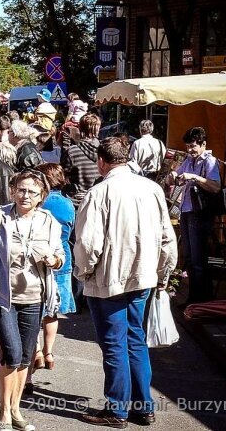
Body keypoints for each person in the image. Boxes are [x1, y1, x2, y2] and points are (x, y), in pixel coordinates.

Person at [74, 137, 177, 428]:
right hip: (143, 276)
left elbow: (87, 243)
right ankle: (143, 407)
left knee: (115, 344)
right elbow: (167, 237)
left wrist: (83, 273)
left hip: (108, 279)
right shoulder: (152, 188)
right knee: (135, 340)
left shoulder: (99, 192)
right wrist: (162, 273)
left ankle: (118, 409)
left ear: (102, 162)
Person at [0, 169, 64, 431]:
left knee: (26, 357)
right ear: (12, 190)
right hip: (3, 297)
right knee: (12, 353)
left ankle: (17, 409)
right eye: (21, 189)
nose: (25, 195)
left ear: (42, 195)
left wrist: (53, 260)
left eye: (32, 191)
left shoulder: (49, 221)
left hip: (35, 297)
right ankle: (4, 412)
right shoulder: (0, 216)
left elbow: (59, 254)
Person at [25, 163, 76, 391]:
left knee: (33, 311)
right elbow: (72, 232)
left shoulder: (39, 203)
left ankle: (34, 351)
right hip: (61, 260)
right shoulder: (67, 204)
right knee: (52, 311)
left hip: (36, 261)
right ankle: (49, 352)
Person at [166, 126, 221, 305]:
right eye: (188, 146)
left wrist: (195, 178)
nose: (190, 150)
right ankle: (194, 298)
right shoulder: (189, 159)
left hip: (200, 213)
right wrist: (174, 175)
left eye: (193, 146)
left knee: (198, 259)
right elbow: (179, 173)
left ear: (203, 144)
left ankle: (201, 299)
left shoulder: (210, 161)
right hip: (187, 211)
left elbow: (215, 186)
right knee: (189, 257)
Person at [62, 113, 102, 208]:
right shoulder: (104, 150)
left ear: (80, 128)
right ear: (98, 129)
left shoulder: (72, 151)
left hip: (76, 200)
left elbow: (63, 175)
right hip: (99, 198)